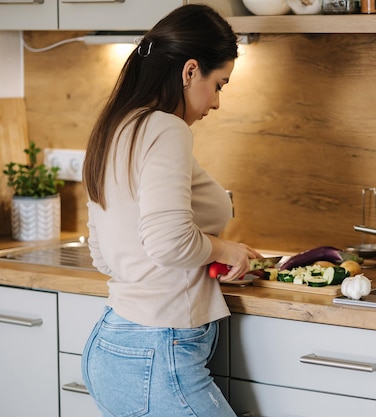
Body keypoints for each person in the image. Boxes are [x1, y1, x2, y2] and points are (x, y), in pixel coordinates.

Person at [81, 4, 261, 416]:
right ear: (190, 71)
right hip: (157, 351)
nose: (216, 102)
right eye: (220, 84)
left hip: (112, 343)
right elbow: (168, 242)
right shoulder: (166, 129)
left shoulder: (116, 125)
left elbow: (102, 253)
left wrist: (206, 253)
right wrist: (222, 249)